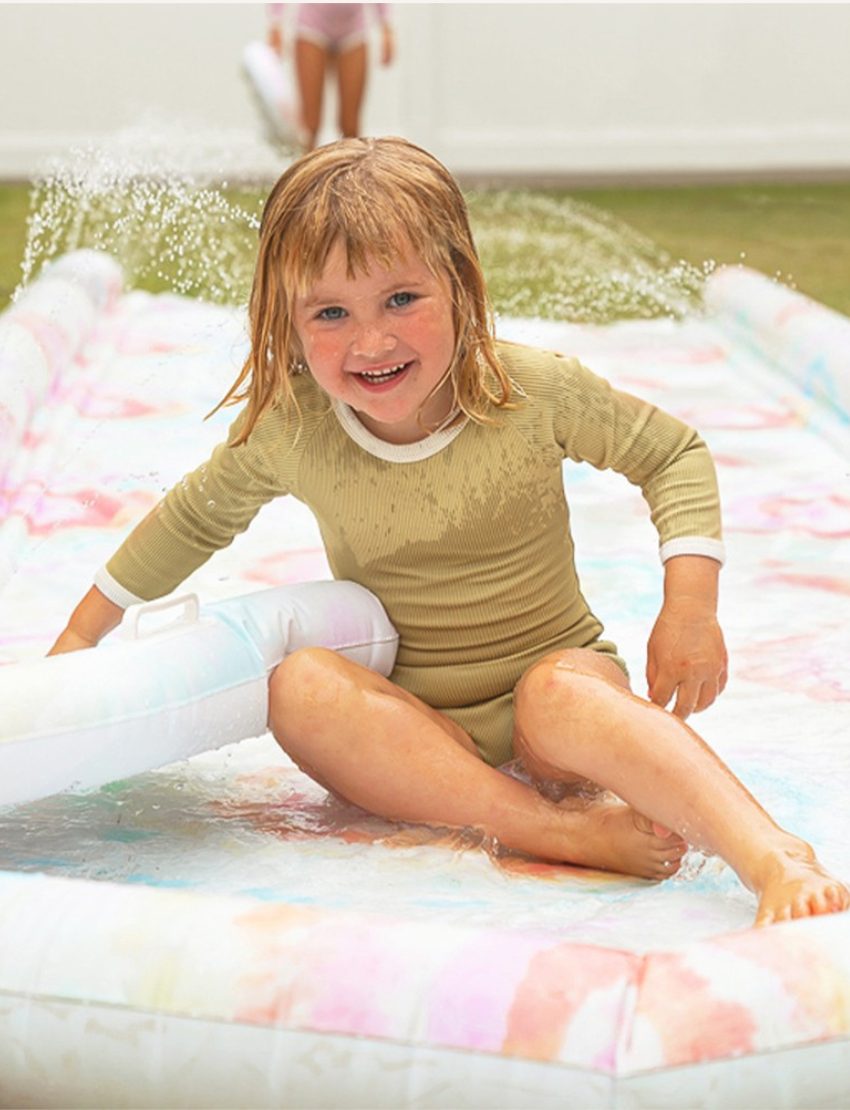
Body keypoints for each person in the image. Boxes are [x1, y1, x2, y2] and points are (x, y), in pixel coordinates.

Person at [50, 136, 848, 928]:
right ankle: (556, 832)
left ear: (460, 284)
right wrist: (78, 643)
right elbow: (193, 520)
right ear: (285, 324)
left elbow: (671, 454)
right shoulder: (293, 429)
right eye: (331, 313)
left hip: (556, 703)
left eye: (402, 299)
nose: (371, 341)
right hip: (419, 736)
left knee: (558, 695)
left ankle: (773, 854)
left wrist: (691, 609)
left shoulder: (528, 392)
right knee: (299, 685)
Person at [267, 4, 394, 152]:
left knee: (351, 127)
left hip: (354, 28)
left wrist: (386, 26)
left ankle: (352, 172)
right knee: (309, 127)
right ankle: (308, 172)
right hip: (312, 25)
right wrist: (276, 23)